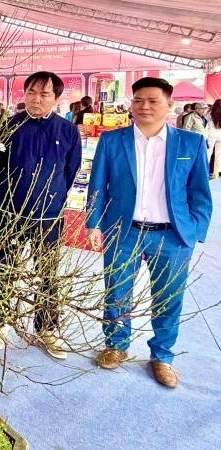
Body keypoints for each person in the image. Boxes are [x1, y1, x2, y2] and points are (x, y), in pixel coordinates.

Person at [86, 77, 212, 388]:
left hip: (172, 235)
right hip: (123, 230)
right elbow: (97, 185)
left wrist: (195, 229)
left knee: (169, 297)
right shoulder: (113, 141)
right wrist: (92, 223)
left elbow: (200, 192)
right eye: (138, 100)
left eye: (153, 101)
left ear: (170, 105)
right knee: (116, 290)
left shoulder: (190, 143)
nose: (144, 106)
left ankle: (163, 356)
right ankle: (116, 345)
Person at [0, 71, 82, 360]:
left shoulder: (68, 131)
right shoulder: (10, 126)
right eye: (31, 92)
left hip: (49, 216)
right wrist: (11, 193)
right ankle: (0, 321)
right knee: (5, 268)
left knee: (48, 275)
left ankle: (47, 329)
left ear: (56, 98)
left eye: (44, 94)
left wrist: (51, 196)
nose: (36, 99)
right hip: (11, 213)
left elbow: (71, 171)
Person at [207, 99, 221, 179]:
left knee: (208, 152)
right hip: (220, 134)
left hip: (211, 134)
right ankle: (216, 173)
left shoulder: (209, 113)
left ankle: (205, 172)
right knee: (219, 155)